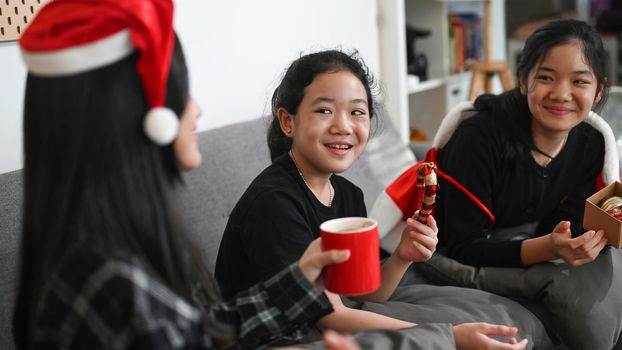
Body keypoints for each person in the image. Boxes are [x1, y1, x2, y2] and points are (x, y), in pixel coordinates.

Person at [12, 1, 362, 349]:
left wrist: (298, 283)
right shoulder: (113, 286)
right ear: (138, 115)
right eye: (181, 92)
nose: (196, 109)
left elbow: (203, 330)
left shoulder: (129, 247)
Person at [215, 49, 534, 349]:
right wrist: (447, 337)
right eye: (324, 110)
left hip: (323, 321)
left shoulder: (347, 195)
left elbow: (363, 293)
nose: (343, 126)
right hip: (273, 338)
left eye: (357, 111)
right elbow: (329, 316)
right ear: (288, 121)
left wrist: (402, 256)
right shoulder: (274, 203)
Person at [434, 19, 617, 268]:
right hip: (456, 262)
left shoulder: (591, 145)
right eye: (546, 77)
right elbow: (460, 246)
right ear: (523, 81)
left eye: (579, 82)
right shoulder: (477, 139)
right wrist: (547, 248)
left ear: (598, 91)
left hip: (533, 258)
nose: (561, 95)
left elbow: (569, 224)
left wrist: (578, 241)